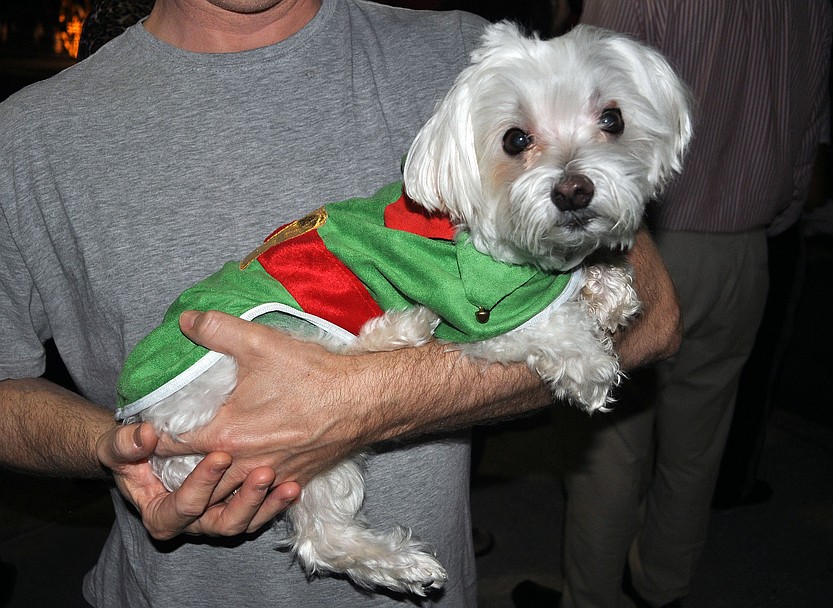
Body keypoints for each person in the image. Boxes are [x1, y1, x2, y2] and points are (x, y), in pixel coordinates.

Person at [0, 0, 681, 606]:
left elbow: (652, 317)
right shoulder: (28, 136)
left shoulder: (478, 55)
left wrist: (357, 402)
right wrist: (119, 449)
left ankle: (329, 532)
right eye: (521, 142)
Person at [512, 2, 832, 607]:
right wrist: (774, 219)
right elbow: (810, 125)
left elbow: (583, 94)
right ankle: (663, 587)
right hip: (745, 248)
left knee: (608, 450)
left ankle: (592, 598)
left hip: (640, 246)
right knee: (699, 441)